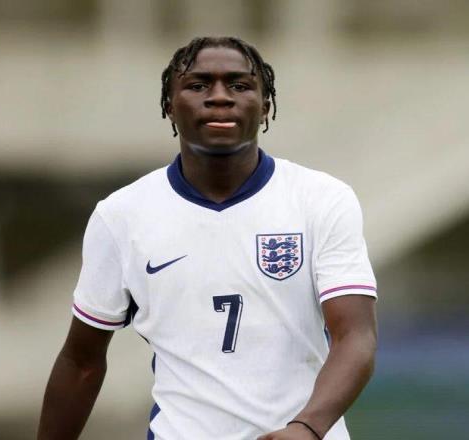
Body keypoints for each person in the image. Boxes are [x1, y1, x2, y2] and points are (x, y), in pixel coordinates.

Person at [38, 36, 377, 440]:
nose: (219, 97)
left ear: (265, 105)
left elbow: (355, 336)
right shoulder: (121, 215)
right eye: (198, 85)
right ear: (169, 106)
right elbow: (81, 362)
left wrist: (307, 427)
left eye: (239, 85)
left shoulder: (321, 199)